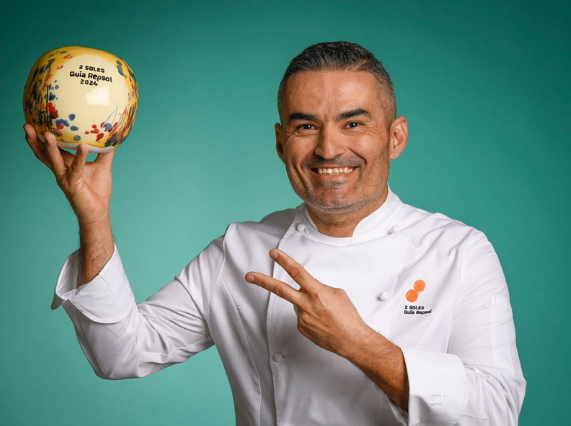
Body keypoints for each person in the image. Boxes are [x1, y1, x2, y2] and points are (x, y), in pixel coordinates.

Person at [25, 41, 526, 425]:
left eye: (353, 124)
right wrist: (94, 216)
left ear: (395, 137)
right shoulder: (239, 251)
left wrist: (359, 343)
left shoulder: (460, 252)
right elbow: (120, 354)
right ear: (281, 142)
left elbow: (499, 410)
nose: (328, 149)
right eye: (306, 127)